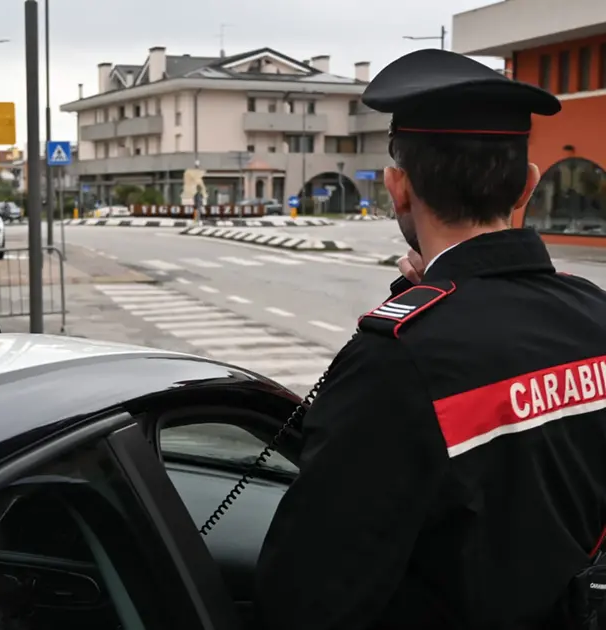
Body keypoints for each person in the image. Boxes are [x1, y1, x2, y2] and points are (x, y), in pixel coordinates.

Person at [254, 48, 606, 630]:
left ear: (397, 188)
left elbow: (308, 596)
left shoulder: (398, 360)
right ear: (527, 184)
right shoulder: (593, 314)